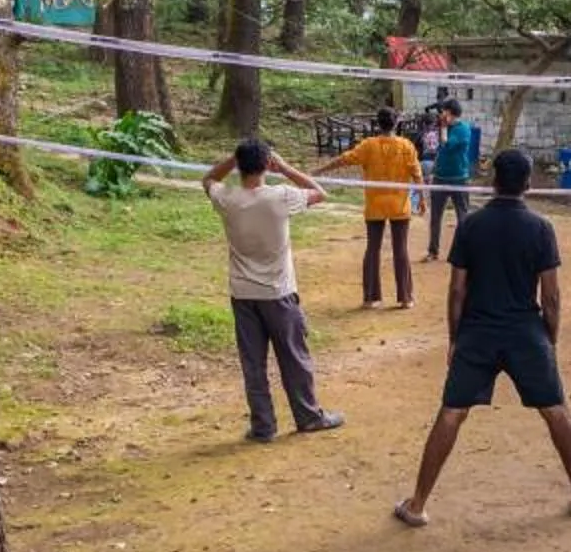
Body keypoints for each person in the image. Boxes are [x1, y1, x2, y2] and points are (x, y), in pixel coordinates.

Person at [393, 147, 571, 526]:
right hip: (525, 332)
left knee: (451, 413)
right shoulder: (540, 228)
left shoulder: (471, 225)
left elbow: (456, 290)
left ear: (493, 181)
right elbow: (550, 295)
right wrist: (549, 338)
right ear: (528, 185)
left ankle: (417, 505)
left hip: (477, 333)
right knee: (555, 409)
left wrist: (454, 338)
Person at [202, 140, 345, 443]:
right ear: (267, 164)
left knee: (253, 363)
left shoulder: (228, 198)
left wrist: (232, 159)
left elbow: (208, 179)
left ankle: (263, 426)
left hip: (243, 294)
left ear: (240, 166)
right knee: (294, 357)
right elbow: (321, 192)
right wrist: (285, 168)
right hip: (279, 292)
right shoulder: (280, 196)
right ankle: (308, 416)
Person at [322, 107, 422, 307]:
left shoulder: (368, 146)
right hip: (399, 205)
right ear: (396, 124)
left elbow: (345, 159)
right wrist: (422, 199)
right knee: (400, 249)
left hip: (375, 205)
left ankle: (370, 297)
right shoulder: (406, 146)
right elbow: (416, 173)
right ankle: (405, 298)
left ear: (378, 123)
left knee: (373, 248)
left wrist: (320, 170)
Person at [424, 98, 479, 262]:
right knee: (435, 216)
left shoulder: (463, 129)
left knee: (462, 216)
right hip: (440, 177)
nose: (441, 114)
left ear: (450, 112)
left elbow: (447, 145)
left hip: (458, 178)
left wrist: (444, 127)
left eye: (444, 111)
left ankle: (465, 251)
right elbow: (435, 147)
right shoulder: (445, 128)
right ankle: (433, 250)